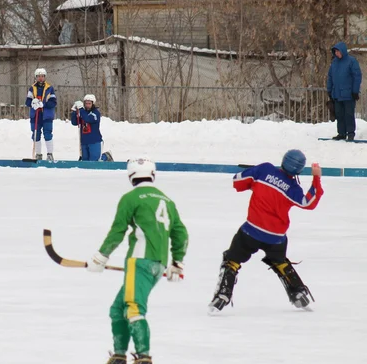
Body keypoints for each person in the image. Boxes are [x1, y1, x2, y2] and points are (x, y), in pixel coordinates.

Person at [87, 158, 189, 364]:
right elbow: (181, 233)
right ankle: (119, 355)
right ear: (153, 175)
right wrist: (177, 262)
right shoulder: (167, 200)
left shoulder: (131, 198)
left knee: (133, 307)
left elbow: (118, 231)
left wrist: (101, 256)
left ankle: (144, 357)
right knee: (118, 309)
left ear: (130, 176)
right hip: (158, 264)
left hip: (139, 261)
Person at [209, 150, 324, 313]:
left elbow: (237, 181)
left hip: (251, 231)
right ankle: (298, 292)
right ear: (299, 170)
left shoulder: (264, 170)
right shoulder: (293, 188)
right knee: (280, 261)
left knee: (232, 260)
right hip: (276, 237)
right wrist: (316, 178)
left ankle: (223, 295)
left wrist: (255, 181)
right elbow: (308, 202)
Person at [327, 42, 362, 141]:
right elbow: (330, 77)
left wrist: (355, 91)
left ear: (342, 51)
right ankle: (341, 133)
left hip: (349, 94)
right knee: (339, 114)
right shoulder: (334, 63)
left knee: (349, 114)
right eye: (335, 52)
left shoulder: (351, 61)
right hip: (337, 94)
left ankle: (350, 133)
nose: (337, 53)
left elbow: (357, 76)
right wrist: (329, 90)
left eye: (338, 51)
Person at [25, 68, 57, 161]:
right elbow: (28, 101)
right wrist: (33, 103)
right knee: (36, 133)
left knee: (48, 133)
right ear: (36, 77)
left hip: (46, 115)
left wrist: (44, 104)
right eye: (39, 76)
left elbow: (53, 102)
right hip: (36, 115)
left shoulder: (49, 88)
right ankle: (38, 154)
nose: (40, 78)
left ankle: (50, 153)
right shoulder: (32, 88)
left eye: (42, 76)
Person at [70, 94, 113, 162]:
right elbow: (74, 122)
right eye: (86, 103)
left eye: (89, 103)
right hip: (84, 141)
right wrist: (74, 111)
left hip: (94, 141)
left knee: (94, 162)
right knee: (85, 162)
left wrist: (81, 109)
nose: (87, 105)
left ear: (93, 104)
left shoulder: (95, 113)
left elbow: (87, 119)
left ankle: (106, 157)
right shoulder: (83, 112)